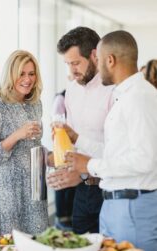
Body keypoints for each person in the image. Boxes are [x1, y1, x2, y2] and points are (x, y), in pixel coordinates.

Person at [65, 30, 157, 251]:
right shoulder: (126, 95)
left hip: (132, 208)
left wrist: (90, 165)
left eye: (98, 60)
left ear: (110, 60)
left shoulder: (138, 97)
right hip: (117, 206)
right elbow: (116, 152)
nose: (96, 67)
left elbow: (145, 159)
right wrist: (78, 139)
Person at [47, 27, 113, 234]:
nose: (71, 72)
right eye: (67, 64)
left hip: (111, 191)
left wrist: (85, 173)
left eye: (76, 63)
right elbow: (74, 141)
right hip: (82, 192)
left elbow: (118, 152)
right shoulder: (72, 91)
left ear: (95, 55)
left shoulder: (115, 90)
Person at [0, 50, 48, 236]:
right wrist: (16, 135)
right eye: (21, 73)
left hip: (35, 186)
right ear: (11, 75)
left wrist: (50, 157)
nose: (27, 79)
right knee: (10, 242)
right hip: (8, 190)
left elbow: (35, 146)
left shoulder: (36, 103)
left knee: (37, 242)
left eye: (31, 73)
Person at [51, 89, 75, 230]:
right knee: (63, 185)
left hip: (73, 149)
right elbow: (56, 123)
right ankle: (62, 220)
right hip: (63, 149)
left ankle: (67, 219)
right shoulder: (61, 99)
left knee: (71, 187)